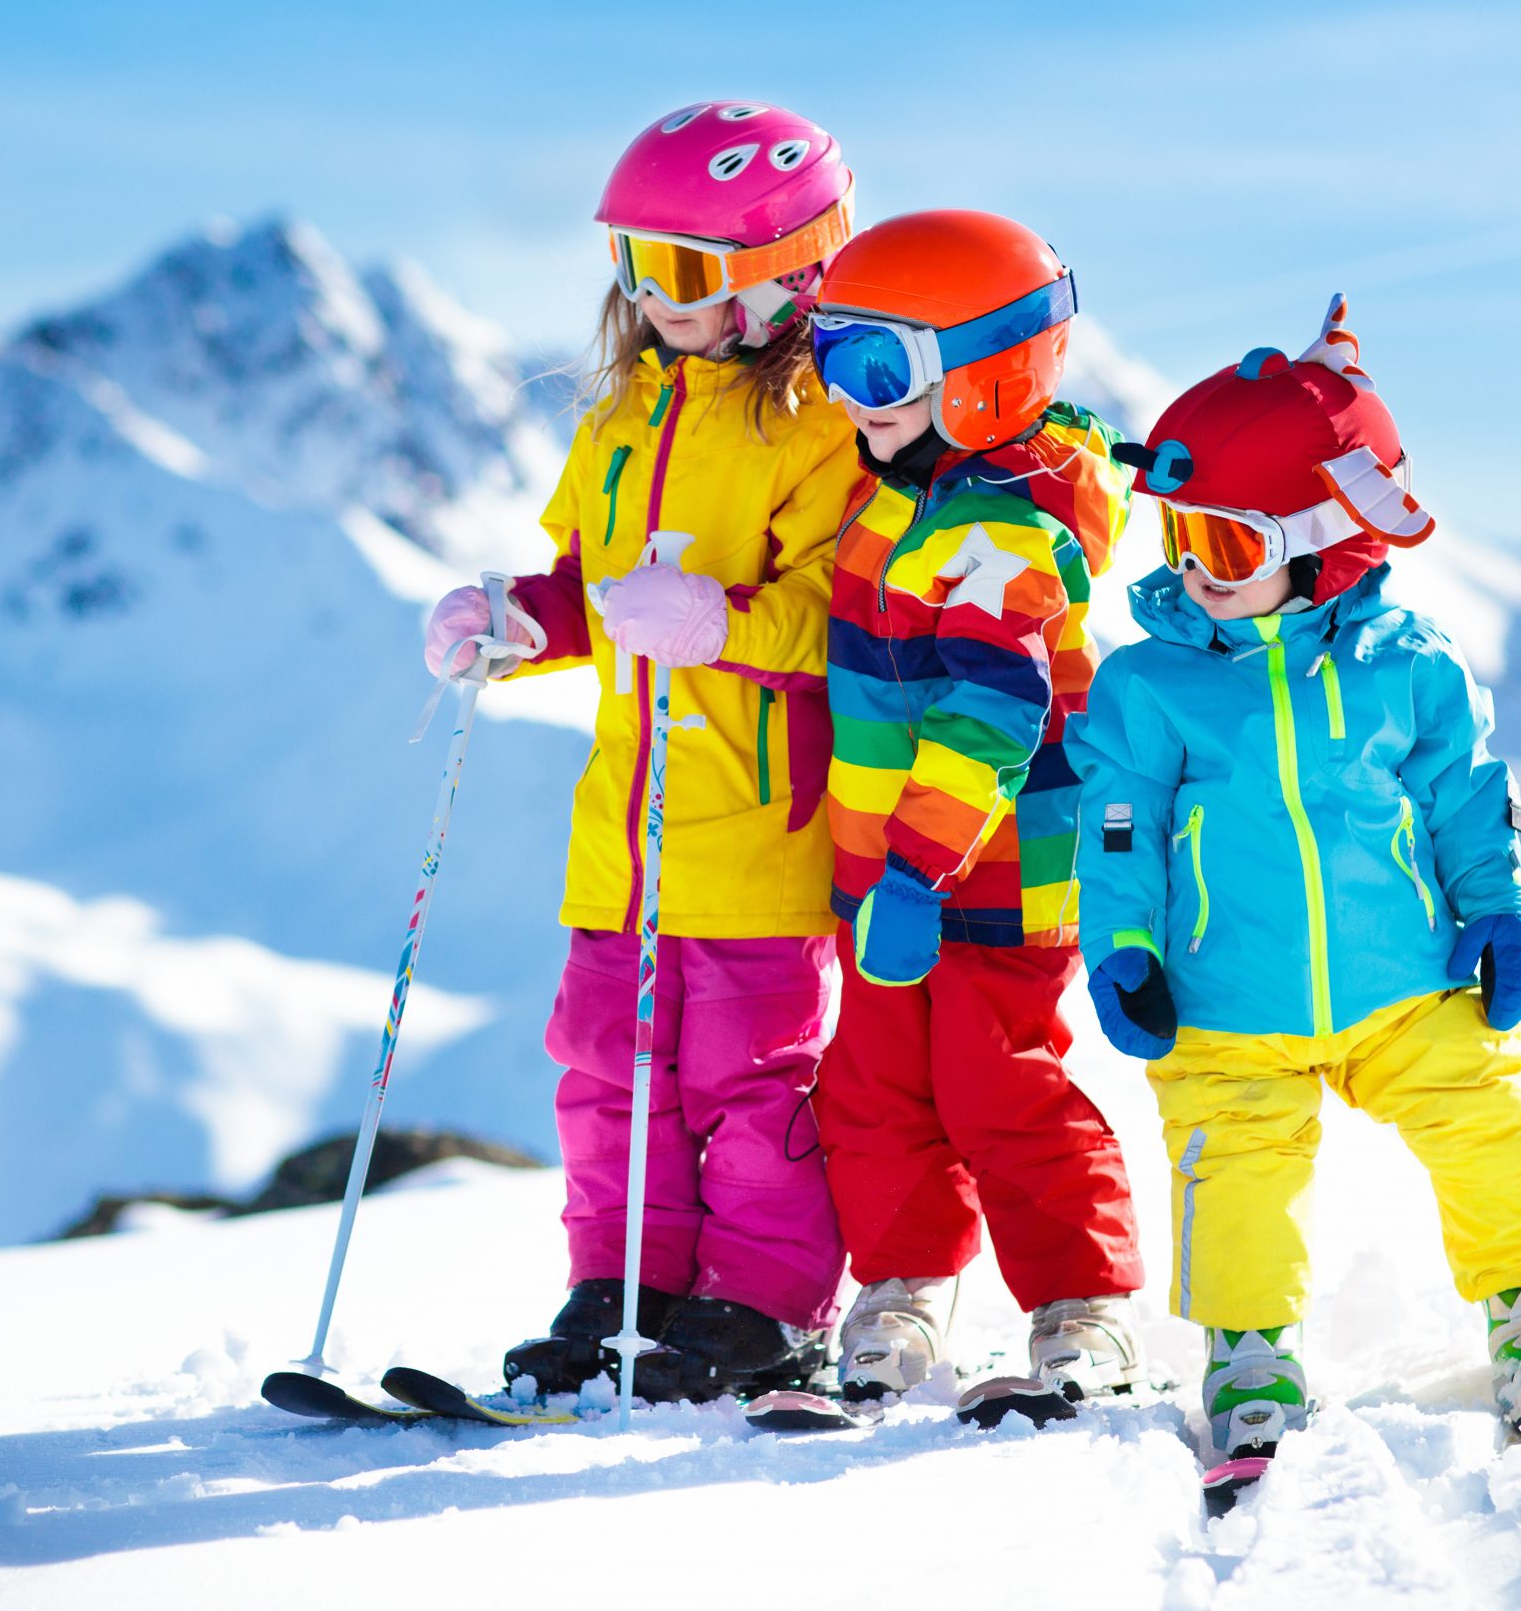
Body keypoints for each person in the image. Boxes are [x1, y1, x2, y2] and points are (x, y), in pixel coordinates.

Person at [1070, 295, 1521, 1467]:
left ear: (1327, 543)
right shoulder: (1150, 685)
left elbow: (1467, 792)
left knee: (1490, 1119)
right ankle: (1251, 1348)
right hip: (1223, 996)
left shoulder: (1408, 667)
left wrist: (1493, 905)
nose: (1197, 571)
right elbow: (1119, 825)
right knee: (1234, 1167)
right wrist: (1124, 945)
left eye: (1229, 544)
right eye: (1182, 537)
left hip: (1400, 974)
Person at [421, 101, 863, 1403]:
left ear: (791, 269)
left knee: (748, 1083)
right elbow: (590, 588)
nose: (647, 296)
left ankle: (765, 1299)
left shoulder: (823, 426)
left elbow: (852, 608)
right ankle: (623, 1286)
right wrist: (520, 620)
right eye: (631, 261)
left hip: (756, 818)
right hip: (623, 831)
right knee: (608, 1073)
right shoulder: (619, 419)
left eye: (678, 269)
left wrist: (724, 621)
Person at [805, 209, 1148, 1404]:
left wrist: (913, 870)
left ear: (988, 374)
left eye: (879, 363)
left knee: (999, 1086)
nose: (849, 393)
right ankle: (900, 1286)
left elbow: (986, 721)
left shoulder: (997, 527)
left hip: (987, 877)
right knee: (874, 1087)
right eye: (829, 353)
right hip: (886, 876)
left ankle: (1081, 1304)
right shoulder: (902, 484)